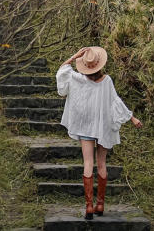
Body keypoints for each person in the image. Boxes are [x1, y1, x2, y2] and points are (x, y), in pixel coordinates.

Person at [57, 46, 143, 220]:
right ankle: (100, 204)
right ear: (99, 64)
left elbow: (62, 71)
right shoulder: (107, 81)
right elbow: (115, 101)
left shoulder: (77, 78)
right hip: (103, 126)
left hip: (86, 127)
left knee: (88, 163)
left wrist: (74, 56)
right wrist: (132, 118)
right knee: (101, 164)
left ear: (85, 65)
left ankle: (89, 207)